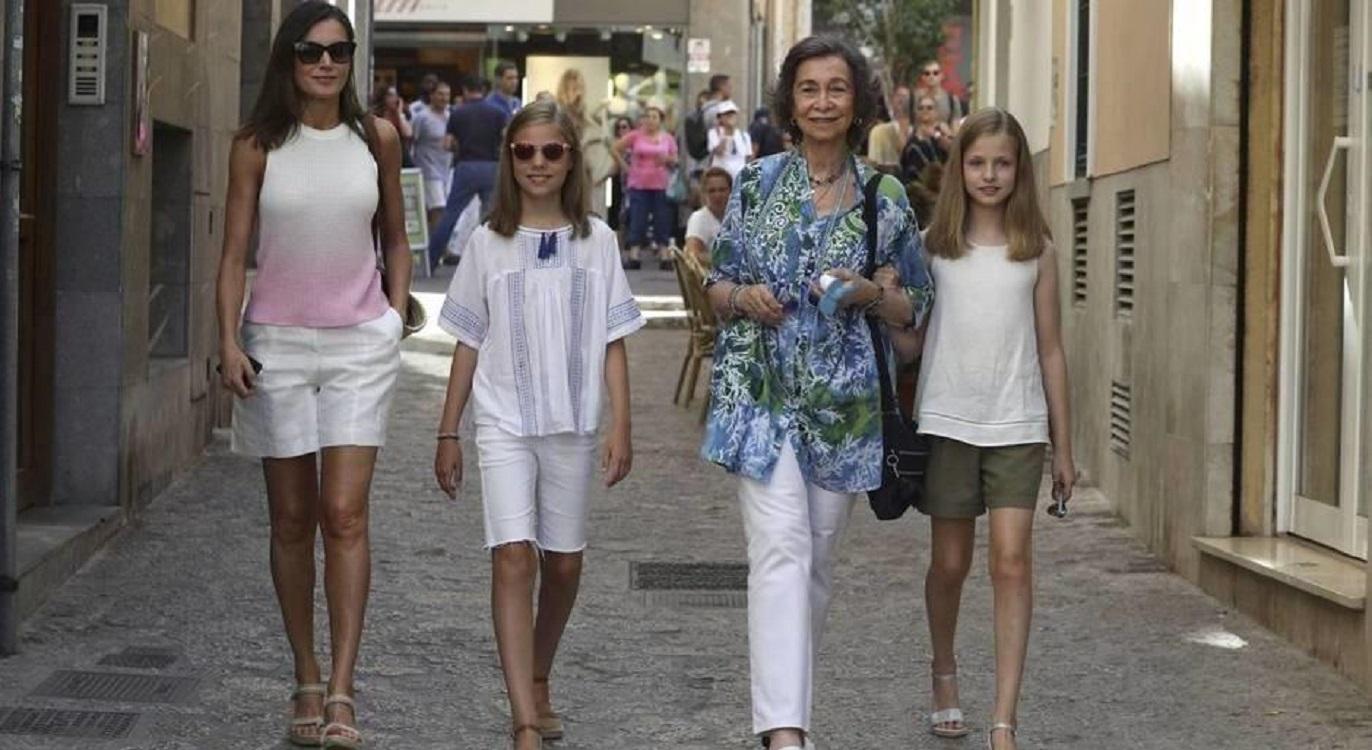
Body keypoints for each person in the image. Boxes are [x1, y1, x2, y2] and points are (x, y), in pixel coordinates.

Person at [701, 36, 933, 750]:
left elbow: (914, 313)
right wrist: (744, 297)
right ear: (790, 103)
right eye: (809, 89)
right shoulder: (757, 182)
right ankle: (785, 734)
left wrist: (871, 294)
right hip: (760, 393)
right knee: (779, 549)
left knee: (815, 564)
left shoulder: (883, 196)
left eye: (836, 88)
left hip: (845, 407)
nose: (823, 102)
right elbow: (715, 286)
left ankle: (786, 707)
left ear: (855, 102)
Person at [215, 3, 410, 748]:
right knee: (291, 520)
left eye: (338, 51)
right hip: (278, 347)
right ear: (287, 59)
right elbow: (234, 253)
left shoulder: (378, 137)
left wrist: (392, 317)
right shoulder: (256, 144)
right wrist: (227, 341)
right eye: (310, 51)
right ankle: (304, 669)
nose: (325, 63)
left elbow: (395, 235)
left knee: (345, 514)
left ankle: (342, 690)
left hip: (361, 343)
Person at [433, 100, 642, 750]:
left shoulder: (598, 240)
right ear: (508, 158)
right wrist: (448, 431)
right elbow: (467, 341)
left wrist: (622, 425)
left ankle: (540, 672)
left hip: (574, 423)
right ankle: (524, 718)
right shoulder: (487, 243)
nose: (538, 163)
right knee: (513, 556)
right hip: (503, 422)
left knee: (565, 566)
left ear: (571, 159)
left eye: (551, 151)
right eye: (525, 151)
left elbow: (614, 337)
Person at [907, 108, 1075, 750]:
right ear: (959, 169)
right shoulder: (933, 248)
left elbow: (1052, 349)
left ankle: (1005, 718)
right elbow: (912, 338)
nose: (990, 174)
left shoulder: (1038, 251)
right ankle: (943, 672)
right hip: (948, 420)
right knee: (949, 564)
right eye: (977, 162)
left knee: (1012, 563)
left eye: (1003, 163)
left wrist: (1065, 445)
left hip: (1019, 424)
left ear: (1020, 171)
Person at [427, 75, 509, 268]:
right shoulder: (497, 112)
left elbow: (446, 144)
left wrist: (459, 147)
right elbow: (506, 139)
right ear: (484, 90)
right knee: (490, 218)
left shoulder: (458, 113)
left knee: (450, 214)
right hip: (491, 166)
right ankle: (491, 263)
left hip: (466, 166)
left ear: (465, 90)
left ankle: (431, 260)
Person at [613, 105, 678, 270]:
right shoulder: (635, 136)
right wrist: (625, 167)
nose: (650, 120)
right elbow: (615, 148)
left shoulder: (667, 138)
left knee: (661, 219)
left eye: (654, 117)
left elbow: (675, 160)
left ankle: (664, 253)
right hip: (638, 183)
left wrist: (667, 159)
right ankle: (634, 254)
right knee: (637, 218)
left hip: (660, 184)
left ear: (660, 120)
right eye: (647, 116)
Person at [556, 68, 615, 218]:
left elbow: (593, 130)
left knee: (588, 203)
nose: (577, 92)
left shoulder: (585, 111)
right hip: (564, 162)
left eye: (579, 87)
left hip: (585, 165)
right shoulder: (558, 110)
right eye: (573, 88)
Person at [410, 80, 453, 228]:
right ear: (432, 95)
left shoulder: (451, 115)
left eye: (447, 94)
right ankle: (437, 244)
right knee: (437, 207)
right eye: (440, 94)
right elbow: (412, 140)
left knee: (444, 206)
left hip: (447, 168)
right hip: (428, 168)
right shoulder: (422, 117)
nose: (444, 98)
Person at [899, 94, 953, 182]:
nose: (925, 110)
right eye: (921, 108)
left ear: (937, 112)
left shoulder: (944, 133)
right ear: (916, 112)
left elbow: (954, 151)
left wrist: (937, 136)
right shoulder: (911, 139)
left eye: (929, 108)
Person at [684, 166, 731, 266]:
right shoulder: (698, 218)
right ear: (704, 193)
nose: (717, 195)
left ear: (731, 191)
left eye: (722, 190)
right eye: (712, 191)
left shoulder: (741, 216)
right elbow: (692, 255)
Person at [866, 84, 911, 171]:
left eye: (906, 97)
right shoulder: (879, 131)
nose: (902, 100)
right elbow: (874, 164)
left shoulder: (916, 130)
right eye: (899, 96)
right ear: (892, 100)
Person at [706, 100, 752, 180]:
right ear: (720, 117)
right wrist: (726, 133)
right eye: (727, 114)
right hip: (721, 179)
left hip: (739, 179)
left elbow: (748, 157)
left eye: (732, 114)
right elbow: (719, 151)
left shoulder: (744, 136)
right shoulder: (713, 133)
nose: (730, 117)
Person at [369, 86, 413, 167]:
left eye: (396, 96)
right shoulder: (376, 116)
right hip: (382, 153)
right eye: (391, 95)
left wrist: (399, 113)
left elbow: (407, 133)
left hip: (400, 154)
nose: (394, 99)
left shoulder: (402, 115)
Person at [914, 59, 965, 128]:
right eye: (927, 73)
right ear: (923, 77)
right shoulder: (914, 98)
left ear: (941, 76)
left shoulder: (952, 100)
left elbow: (955, 129)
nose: (931, 76)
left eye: (935, 73)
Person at [607, 116, 633, 232]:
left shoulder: (635, 144)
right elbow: (611, 168)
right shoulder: (615, 145)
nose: (621, 130)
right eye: (619, 128)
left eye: (624, 127)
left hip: (633, 182)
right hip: (618, 180)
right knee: (616, 209)